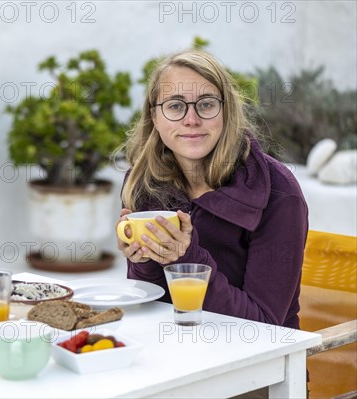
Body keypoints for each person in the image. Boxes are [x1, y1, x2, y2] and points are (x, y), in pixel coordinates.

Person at [116, 49, 308, 331]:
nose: (191, 120)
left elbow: (263, 326)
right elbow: (151, 305)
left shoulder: (277, 192)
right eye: (175, 106)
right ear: (154, 117)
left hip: (258, 367)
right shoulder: (144, 182)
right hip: (171, 352)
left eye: (206, 105)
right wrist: (143, 260)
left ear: (226, 111)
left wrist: (187, 257)